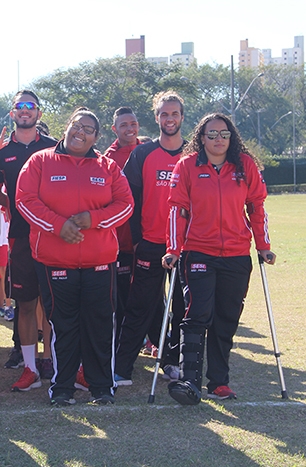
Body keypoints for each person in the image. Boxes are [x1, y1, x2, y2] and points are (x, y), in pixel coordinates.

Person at [17, 107, 133, 406]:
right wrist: (60, 226)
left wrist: (92, 220)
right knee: (63, 327)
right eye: (77, 126)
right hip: (55, 262)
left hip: (100, 262)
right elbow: (24, 201)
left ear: (96, 136)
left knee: (99, 325)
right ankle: (62, 388)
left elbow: (125, 205)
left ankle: (101, 388)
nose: (81, 132)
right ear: (67, 127)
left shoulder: (107, 167)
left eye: (89, 129)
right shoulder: (40, 162)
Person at [163, 112, 275, 405]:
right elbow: (177, 209)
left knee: (226, 318)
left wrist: (263, 246)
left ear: (231, 137)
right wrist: (174, 249)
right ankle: (189, 381)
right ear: (201, 138)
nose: (218, 140)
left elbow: (257, 207)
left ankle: (218, 383)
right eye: (211, 134)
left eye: (224, 134)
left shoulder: (245, 165)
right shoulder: (186, 166)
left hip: (237, 254)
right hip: (198, 251)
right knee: (198, 313)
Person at [114, 91, 187, 387]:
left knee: (183, 310)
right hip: (151, 244)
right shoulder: (142, 154)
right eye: (164, 114)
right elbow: (127, 201)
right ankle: (122, 368)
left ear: (182, 117)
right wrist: (138, 241)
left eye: (174, 114)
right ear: (156, 118)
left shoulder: (194, 155)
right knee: (139, 306)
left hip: (187, 247)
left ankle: (172, 362)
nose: (169, 119)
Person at [0, 90, 58, 390]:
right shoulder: (3, 153)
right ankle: (30, 367)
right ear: (13, 113)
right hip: (20, 237)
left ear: (39, 114)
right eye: (20, 106)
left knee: (53, 304)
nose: (25, 111)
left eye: (30, 106)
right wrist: (9, 204)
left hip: (53, 236)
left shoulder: (54, 148)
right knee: (27, 304)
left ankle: (54, 363)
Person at [102, 107, 141, 347]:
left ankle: (151, 339)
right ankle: (121, 343)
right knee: (122, 295)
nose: (130, 128)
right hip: (120, 240)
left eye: (133, 123)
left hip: (148, 237)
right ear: (114, 129)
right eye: (124, 125)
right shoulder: (108, 158)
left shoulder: (147, 150)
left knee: (150, 295)